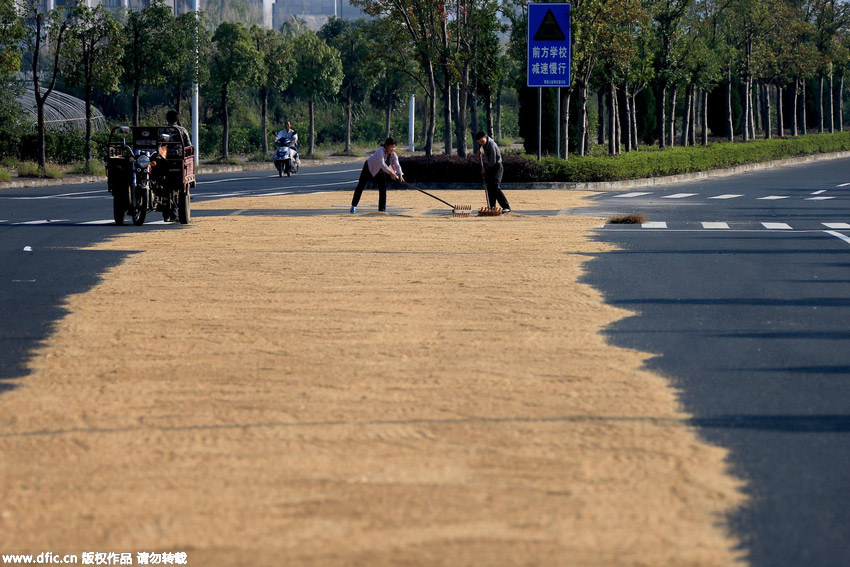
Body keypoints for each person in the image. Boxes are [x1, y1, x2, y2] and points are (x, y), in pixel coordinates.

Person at [350, 137, 405, 213]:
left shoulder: (393, 154)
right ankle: (353, 206)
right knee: (361, 186)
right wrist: (391, 173)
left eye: (394, 147)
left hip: (380, 171)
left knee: (383, 189)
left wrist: (400, 176)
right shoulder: (381, 150)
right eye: (391, 147)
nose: (393, 149)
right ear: (386, 146)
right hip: (369, 167)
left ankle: (382, 210)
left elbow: (397, 165)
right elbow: (382, 164)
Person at [476, 130, 510, 213]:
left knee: (495, 186)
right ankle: (492, 207)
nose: (481, 143)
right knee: (489, 187)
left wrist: (485, 169)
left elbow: (492, 161)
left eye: (482, 141)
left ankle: (506, 207)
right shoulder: (485, 143)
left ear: (486, 137)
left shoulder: (491, 146)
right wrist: (480, 151)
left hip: (497, 167)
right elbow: (482, 147)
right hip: (490, 167)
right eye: (479, 142)